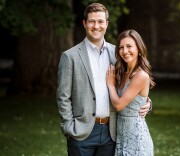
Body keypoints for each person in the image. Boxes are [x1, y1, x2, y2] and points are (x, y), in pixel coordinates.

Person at [56, 3, 151, 156]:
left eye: (100, 21)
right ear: (84, 23)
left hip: (111, 133)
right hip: (81, 132)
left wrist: (147, 102)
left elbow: (133, 83)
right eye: (92, 21)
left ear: (106, 24)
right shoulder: (70, 57)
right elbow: (63, 97)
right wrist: (69, 127)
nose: (96, 26)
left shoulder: (118, 53)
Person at [106, 29, 155, 156]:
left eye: (129, 46)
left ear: (139, 49)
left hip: (136, 137)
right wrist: (148, 102)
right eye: (121, 47)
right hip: (121, 135)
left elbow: (118, 105)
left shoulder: (141, 75)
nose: (125, 51)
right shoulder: (122, 72)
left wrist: (111, 85)